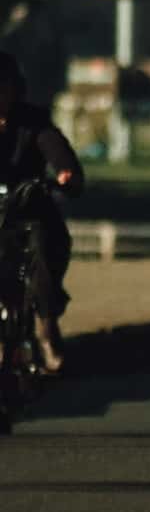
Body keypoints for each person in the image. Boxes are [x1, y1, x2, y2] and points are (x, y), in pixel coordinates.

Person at [0, 51, 82, 373]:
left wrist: (65, 174)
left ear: (14, 88)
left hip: (29, 212)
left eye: (2, 86)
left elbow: (58, 152)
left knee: (43, 250)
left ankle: (47, 327)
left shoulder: (33, 121)